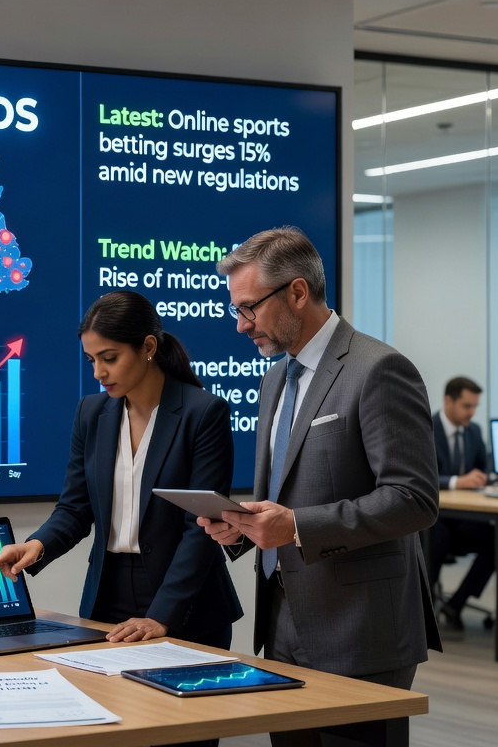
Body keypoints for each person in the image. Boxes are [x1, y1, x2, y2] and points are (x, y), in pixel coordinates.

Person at [198, 226, 440, 747]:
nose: (241, 326)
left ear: (298, 293)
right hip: (283, 621)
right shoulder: (274, 379)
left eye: (249, 308)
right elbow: (287, 495)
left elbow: (413, 500)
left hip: (360, 631)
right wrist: (242, 530)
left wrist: (296, 528)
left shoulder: (378, 370)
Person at [0, 290, 243, 652]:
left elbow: (199, 531)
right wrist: (35, 545)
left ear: (148, 346)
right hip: (108, 595)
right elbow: (75, 508)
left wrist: (161, 616)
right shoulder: (91, 414)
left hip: (186, 604)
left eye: (109, 358)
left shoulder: (203, 414)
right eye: (91, 360)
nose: (98, 373)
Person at [427, 376, 496, 630]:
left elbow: (484, 469)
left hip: (466, 517)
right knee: (437, 536)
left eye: (475, 406)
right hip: (435, 518)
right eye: (467, 406)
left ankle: (456, 603)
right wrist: (457, 481)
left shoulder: (473, 431)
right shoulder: (426, 428)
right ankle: (423, 610)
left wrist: (485, 479)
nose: (472, 412)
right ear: (448, 401)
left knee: (496, 539)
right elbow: (423, 476)